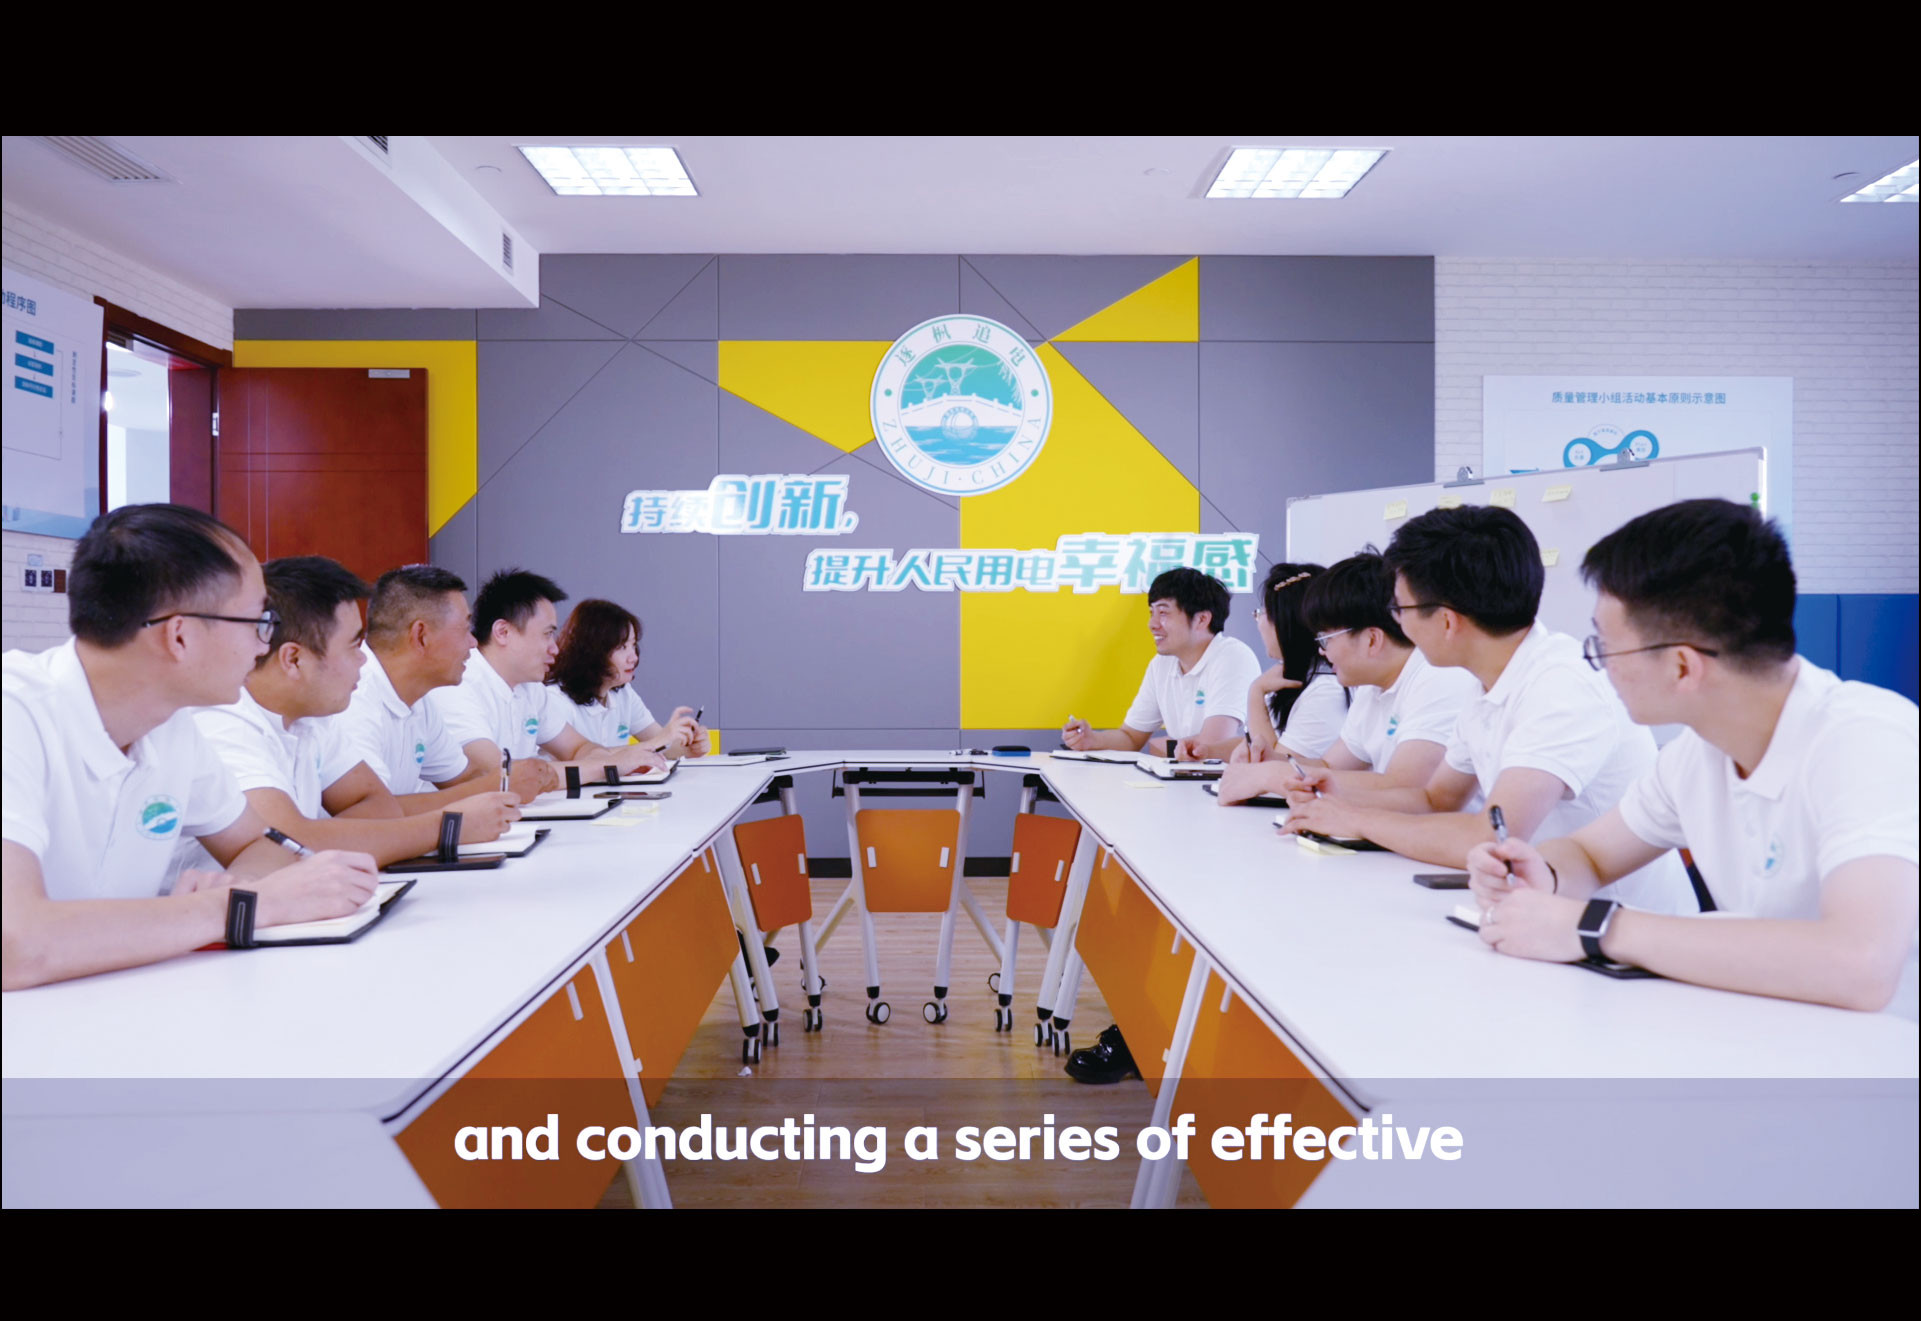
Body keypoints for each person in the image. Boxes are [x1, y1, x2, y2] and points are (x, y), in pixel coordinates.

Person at [1466, 499, 1918, 1018]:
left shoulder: (1865, 740)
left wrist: (1595, 928)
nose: (1600, 666)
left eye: (1607, 647)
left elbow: (1860, 964)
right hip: (1775, 1030)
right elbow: (1590, 855)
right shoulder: (1696, 755)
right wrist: (1541, 872)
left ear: (1683, 666)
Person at [2, 504, 378, 990]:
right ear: (180, 636)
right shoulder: (16, 714)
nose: (262, 646)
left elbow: (259, 844)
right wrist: (238, 906)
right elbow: (15, 944)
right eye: (257, 621)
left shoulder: (170, 726)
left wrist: (236, 886)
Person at [1278, 505, 1692, 913]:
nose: (1397, 623)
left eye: (1400, 609)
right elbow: (1437, 798)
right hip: (1539, 913)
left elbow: (1490, 835)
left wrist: (1356, 820)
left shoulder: (1562, 685)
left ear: (1446, 621)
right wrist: (1340, 796)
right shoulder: (1486, 683)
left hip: (1625, 929)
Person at [175, 556, 521, 874]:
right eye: (354, 646)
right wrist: (446, 827)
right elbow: (283, 845)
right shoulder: (221, 719)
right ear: (294, 660)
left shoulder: (312, 715)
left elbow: (380, 807)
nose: (364, 659)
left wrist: (318, 837)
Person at [1217, 552, 1480, 804]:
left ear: (1372, 639)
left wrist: (1272, 775)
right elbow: (1329, 766)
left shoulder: (1438, 679)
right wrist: (1270, 761)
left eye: (1326, 639)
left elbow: (1405, 788)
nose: (1322, 651)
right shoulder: (1372, 688)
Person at [426, 570, 670, 784]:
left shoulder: (531, 688)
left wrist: (610, 761)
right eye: (547, 634)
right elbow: (495, 775)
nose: (555, 648)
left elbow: (578, 747)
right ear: (503, 632)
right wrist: (607, 766)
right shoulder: (458, 685)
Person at [336, 565, 535, 809]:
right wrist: (499, 785)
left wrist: (505, 782)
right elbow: (371, 813)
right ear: (422, 636)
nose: (473, 643)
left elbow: (464, 778)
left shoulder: (420, 701)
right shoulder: (353, 699)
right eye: (465, 629)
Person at [1060, 566, 1262, 762]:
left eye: (1163, 613)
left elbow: (1209, 747)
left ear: (1202, 619)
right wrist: (1093, 740)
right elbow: (1131, 737)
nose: (1152, 624)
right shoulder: (1162, 664)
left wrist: (1163, 747)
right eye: (1152, 613)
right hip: (1185, 779)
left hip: (1229, 780)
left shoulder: (1233, 657)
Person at [544, 598, 708, 759]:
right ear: (592, 650)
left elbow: (664, 747)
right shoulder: (554, 699)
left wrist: (690, 748)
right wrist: (659, 741)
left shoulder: (623, 693)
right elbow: (584, 759)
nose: (634, 657)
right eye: (622, 647)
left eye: (633, 645)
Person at [1226, 562, 1346, 766]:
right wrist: (1208, 749)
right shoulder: (1294, 678)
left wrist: (1256, 693)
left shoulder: (1326, 691)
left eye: (1261, 613)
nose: (1258, 622)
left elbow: (1272, 767)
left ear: (1286, 623)